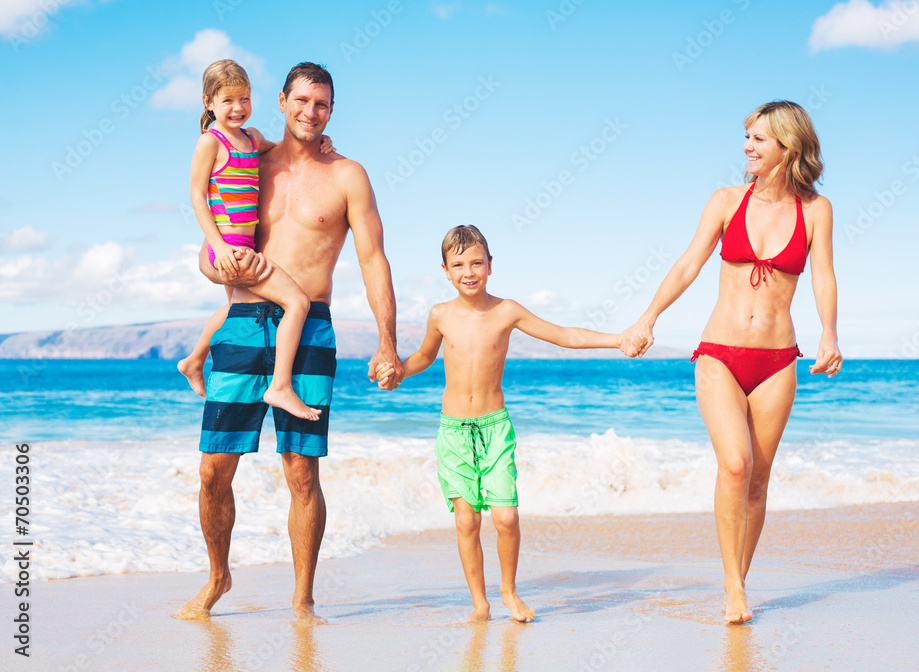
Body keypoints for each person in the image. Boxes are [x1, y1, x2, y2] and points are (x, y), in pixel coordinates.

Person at [175, 62, 402, 624]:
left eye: (322, 104)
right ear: (280, 100)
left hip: (312, 327)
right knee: (212, 470)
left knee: (302, 470)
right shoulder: (251, 156)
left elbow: (374, 259)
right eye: (301, 100)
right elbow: (208, 205)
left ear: (331, 111)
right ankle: (218, 576)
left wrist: (387, 342)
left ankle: (302, 599)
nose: (310, 112)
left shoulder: (347, 174)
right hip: (245, 319)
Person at [619, 101, 842, 624]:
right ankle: (730, 584)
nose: (747, 146)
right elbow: (689, 262)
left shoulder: (816, 210)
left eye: (759, 138)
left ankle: (738, 583)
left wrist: (830, 333)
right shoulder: (725, 200)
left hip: (778, 362)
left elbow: (824, 276)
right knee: (735, 464)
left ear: (788, 146)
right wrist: (648, 316)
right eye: (746, 136)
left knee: (759, 479)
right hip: (719, 354)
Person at [376, 225, 622, 623]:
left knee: (506, 516)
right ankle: (480, 603)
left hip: (495, 428)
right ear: (445, 270)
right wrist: (398, 372)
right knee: (466, 520)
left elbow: (565, 335)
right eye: (458, 265)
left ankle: (508, 590)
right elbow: (424, 356)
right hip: (454, 430)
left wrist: (618, 340)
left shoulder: (506, 311)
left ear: (490, 266)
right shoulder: (439, 315)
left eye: (476, 262)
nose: (468, 271)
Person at [177, 59, 333, 422]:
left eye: (244, 99)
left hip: (244, 248)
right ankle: (279, 385)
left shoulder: (252, 139)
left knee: (237, 309)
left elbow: (287, 146)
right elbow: (197, 197)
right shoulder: (209, 143)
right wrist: (218, 246)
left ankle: (194, 359)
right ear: (208, 102)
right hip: (229, 248)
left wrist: (320, 140)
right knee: (297, 302)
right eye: (228, 100)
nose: (237, 108)